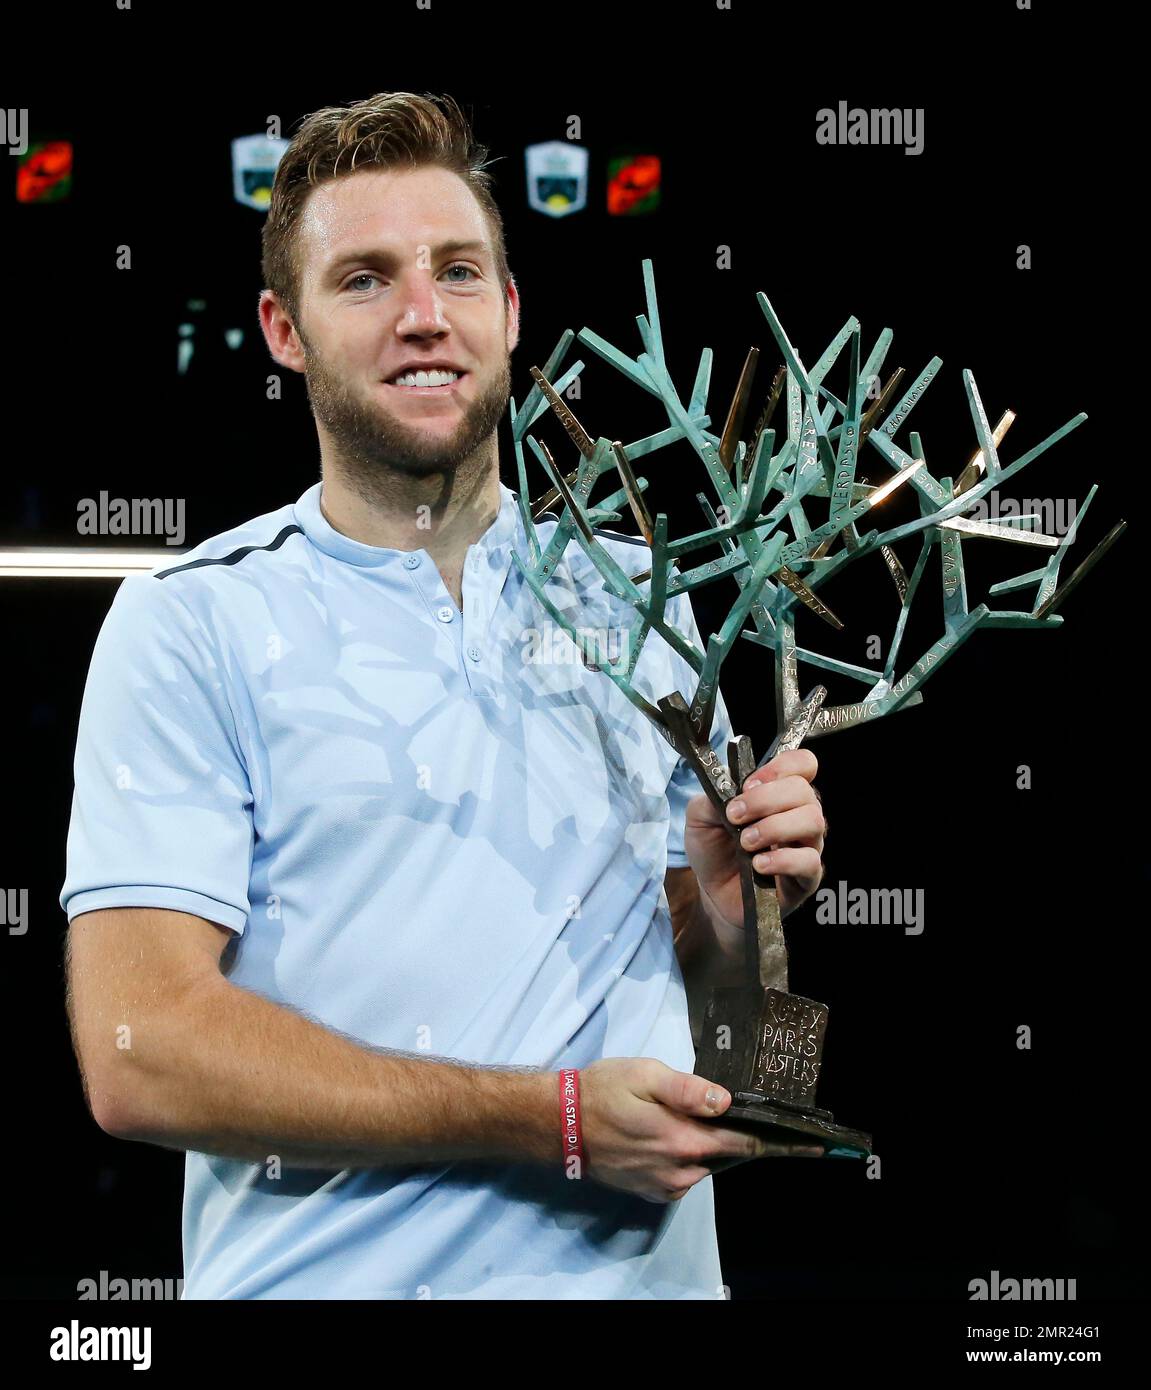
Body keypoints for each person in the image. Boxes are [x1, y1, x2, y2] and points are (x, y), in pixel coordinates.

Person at [61, 92, 828, 1300]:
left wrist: (736, 927)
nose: (425, 315)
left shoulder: (648, 594)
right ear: (283, 329)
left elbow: (734, 1070)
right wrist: (550, 1118)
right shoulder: (189, 623)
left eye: (458, 272)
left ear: (509, 312)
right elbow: (139, 1055)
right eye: (364, 279)